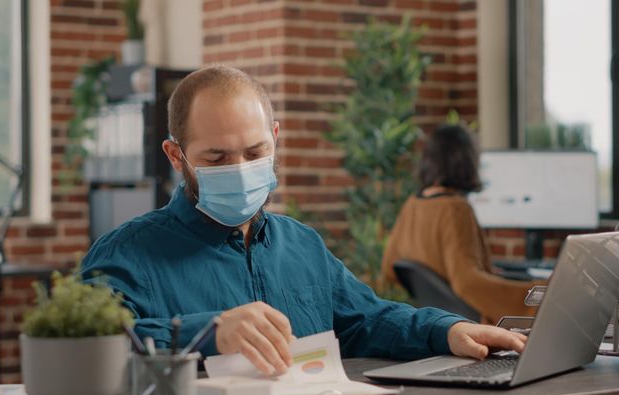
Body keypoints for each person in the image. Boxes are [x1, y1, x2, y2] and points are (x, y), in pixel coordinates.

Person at [81, 66, 527, 376]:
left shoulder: (301, 245)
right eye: (217, 158)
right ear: (176, 156)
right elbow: (88, 347)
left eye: (255, 153)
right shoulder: (127, 254)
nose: (240, 167)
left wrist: (447, 329)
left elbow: (365, 320)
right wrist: (209, 333)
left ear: (274, 138)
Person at [381, 124, 539, 325]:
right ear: (466, 162)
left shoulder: (413, 203)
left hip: (435, 322)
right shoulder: (455, 208)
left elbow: (390, 267)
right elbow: (468, 283)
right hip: (470, 326)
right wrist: (538, 292)